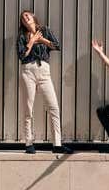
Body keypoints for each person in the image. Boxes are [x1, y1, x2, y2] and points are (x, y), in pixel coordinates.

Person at [17, 10, 73, 154]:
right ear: (22, 22)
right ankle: (29, 143)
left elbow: (57, 46)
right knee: (28, 109)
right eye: (23, 17)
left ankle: (57, 144)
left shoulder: (45, 30)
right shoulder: (22, 36)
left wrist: (41, 40)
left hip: (44, 72)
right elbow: (22, 55)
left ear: (33, 17)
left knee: (53, 107)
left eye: (27, 15)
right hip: (28, 71)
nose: (26, 17)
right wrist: (31, 41)